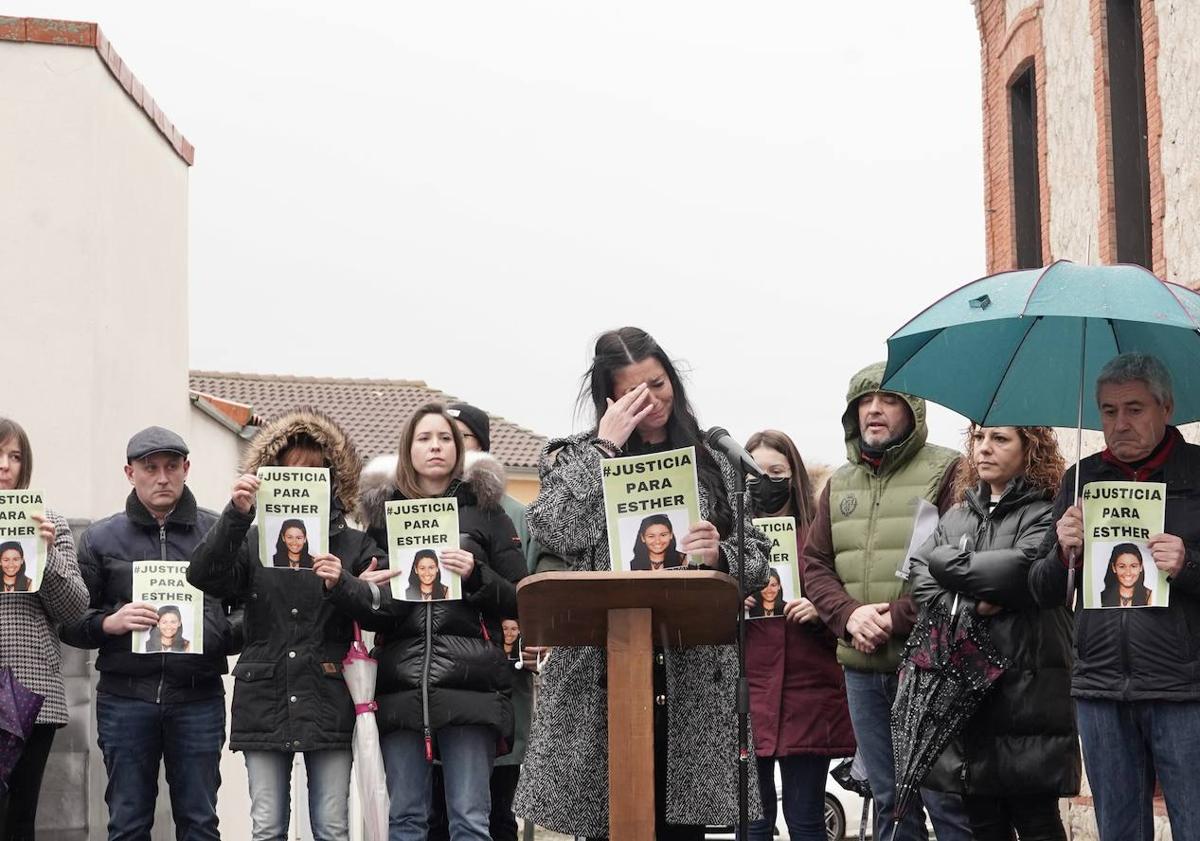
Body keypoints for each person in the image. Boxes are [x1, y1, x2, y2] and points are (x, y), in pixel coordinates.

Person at [513, 326, 770, 839]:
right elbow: (555, 528)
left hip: (691, 682)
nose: (652, 400)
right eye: (635, 391)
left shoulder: (713, 460)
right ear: (610, 399)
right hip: (600, 681)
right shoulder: (574, 456)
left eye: (659, 382)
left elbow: (759, 560)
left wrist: (720, 551)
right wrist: (605, 447)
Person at [315, 402, 526, 841]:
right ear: (407, 449)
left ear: (461, 449)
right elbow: (374, 606)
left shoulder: (488, 513)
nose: (435, 447)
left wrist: (477, 575)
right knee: (406, 820)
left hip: (472, 686)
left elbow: (522, 598)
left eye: (446, 438)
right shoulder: (384, 515)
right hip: (401, 686)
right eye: (424, 438)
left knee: (470, 819)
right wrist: (358, 585)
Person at [187, 409, 383, 841]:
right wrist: (236, 515)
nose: (304, 480)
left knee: (332, 828)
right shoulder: (251, 537)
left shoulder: (352, 543)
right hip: (264, 696)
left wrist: (343, 583)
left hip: (329, 696)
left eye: (315, 471)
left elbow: (384, 608)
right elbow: (202, 575)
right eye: (292, 472)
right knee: (267, 827)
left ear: (332, 479)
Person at [1029, 352, 1200, 841]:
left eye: (1134, 409)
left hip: (1184, 690)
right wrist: (1064, 552)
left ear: (1165, 408)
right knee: (1120, 831)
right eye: (1108, 411)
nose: (1120, 423)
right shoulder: (1079, 480)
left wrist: (1188, 564)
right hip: (1101, 688)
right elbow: (1041, 590)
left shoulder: (1197, 473)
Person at [803, 362, 972, 841]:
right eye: (864, 402)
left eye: (888, 400)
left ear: (912, 410)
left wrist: (894, 618)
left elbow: (957, 561)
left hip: (930, 667)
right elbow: (814, 564)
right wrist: (850, 615)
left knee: (946, 800)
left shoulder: (950, 471)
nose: (874, 410)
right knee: (888, 800)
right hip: (861, 666)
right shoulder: (838, 483)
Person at [59, 426, 234, 841]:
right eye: (150, 467)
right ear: (129, 472)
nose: (161, 477)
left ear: (186, 468)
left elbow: (252, 615)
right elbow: (69, 619)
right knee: (127, 823)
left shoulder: (219, 532)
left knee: (200, 822)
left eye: (171, 467)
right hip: (124, 698)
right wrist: (109, 622)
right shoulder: (100, 538)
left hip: (198, 698)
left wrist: (211, 629)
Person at [909, 424, 1079, 840]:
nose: (984, 448)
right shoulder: (957, 513)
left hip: (1028, 693)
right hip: (969, 695)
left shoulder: (1048, 511)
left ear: (1030, 449)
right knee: (983, 824)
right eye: (979, 439)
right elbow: (917, 577)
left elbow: (1018, 574)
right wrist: (971, 601)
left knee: (1037, 821)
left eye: (999, 439)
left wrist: (945, 563)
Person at [743, 429, 855, 841]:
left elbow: (848, 615)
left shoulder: (819, 540)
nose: (765, 481)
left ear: (794, 476)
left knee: (805, 816)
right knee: (753, 821)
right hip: (749, 695)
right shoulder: (729, 543)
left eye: (776, 470)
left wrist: (822, 611)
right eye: (754, 472)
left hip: (809, 694)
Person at [441, 402, 541, 841]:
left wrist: (535, 638)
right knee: (431, 815)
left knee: (496, 814)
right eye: (443, 436)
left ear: (483, 447)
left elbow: (534, 588)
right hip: (431, 689)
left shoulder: (515, 513)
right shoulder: (410, 509)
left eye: (464, 439)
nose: (452, 449)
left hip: (499, 686)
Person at [0, 417, 88, 840]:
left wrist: (47, 554)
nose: (5, 465)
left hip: (33, 687)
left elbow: (74, 608)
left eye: (15, 456)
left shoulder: (49, 522)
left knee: (19, 817)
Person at [1099, 543, 1152, 607]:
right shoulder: (1101, 598)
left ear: (1140, 567)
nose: (1128, 573)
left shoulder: (1150, 597)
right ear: (1114, 568)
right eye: (1122, 566)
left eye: (1133, 566)